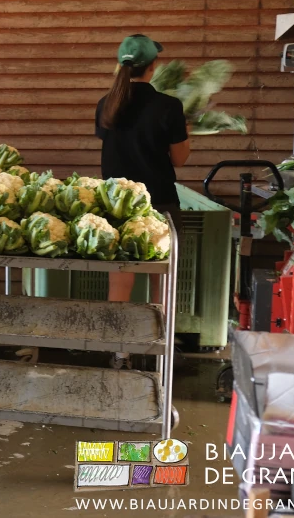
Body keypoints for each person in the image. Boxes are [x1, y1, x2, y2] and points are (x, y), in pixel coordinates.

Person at [95, 34, 191, 368]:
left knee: (120, 280)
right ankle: (158, 348)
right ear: (153, 66)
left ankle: (120, 353)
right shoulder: (169, 106)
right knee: (161, 278)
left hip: (117, 204)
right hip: (160, 202)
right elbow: (180, 159)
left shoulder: (106, 104)